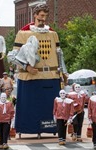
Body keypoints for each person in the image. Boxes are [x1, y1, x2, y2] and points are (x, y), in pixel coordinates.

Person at [9, 4, 68, 135]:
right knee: (30, 108)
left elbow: (59, 54)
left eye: (46, 16)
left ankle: (52, 128)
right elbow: (12, 56)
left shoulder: (53, 34)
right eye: (41, 15)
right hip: (30, 78)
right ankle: (27, 129)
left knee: (51, 107)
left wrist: (64, 72)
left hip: (51, 77)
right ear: (35, 15)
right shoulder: (23, 34)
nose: (43, 19)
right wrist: (27, 67)